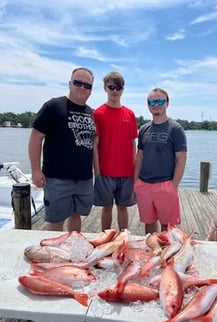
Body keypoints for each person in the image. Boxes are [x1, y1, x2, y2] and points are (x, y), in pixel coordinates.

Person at [28, 67, 96, 231]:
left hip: (84, 178)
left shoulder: (91, 113)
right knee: (55, 220)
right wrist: (35, 170)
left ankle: (72, 249)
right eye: (77, 83)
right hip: (57, 178)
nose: (82, 88)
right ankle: (49, 253)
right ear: (69, 84)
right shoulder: (53, 106)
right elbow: (36, 138)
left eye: (87, 85)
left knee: (76, 215)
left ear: (91, 90)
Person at [134, 87, 187, 234]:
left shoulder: (176, 129)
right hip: (144, 184)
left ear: (167, 103)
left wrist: (174, 185)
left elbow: (181, 159)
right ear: (148, 105)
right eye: (152, 101)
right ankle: (152, 253)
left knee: (167, 227)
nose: (155, 104)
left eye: (160, 101)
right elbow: (140, 156)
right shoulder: (144, 129)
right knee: (149, 224)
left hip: (165, 183)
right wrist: (135, 181)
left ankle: (166, 255)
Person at [93, 71, 138, 231]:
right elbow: (95, 144)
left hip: (126, 172)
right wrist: (97, 171)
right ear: (105, 88)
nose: (114, 91)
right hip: (105, 172)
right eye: (111, 87)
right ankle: (106, 238)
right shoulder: (97, 113)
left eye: (118, 87)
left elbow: (133, 144)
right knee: (106, 208)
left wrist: (135, 170)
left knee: (122, 208)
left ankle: (123, 239)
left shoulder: (130, 114)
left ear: (123, 90)